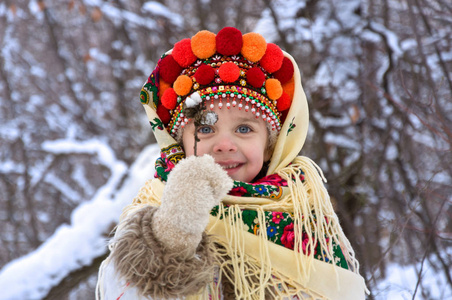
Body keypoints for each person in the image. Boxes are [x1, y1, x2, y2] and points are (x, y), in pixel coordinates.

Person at [96, 27, 367, 299]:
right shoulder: (158, 207)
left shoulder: (303, 211)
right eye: (204, 129)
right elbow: (124, 290)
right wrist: (173, 234)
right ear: (181, 143)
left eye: (244, 129)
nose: (224, 144)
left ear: (271, 146)